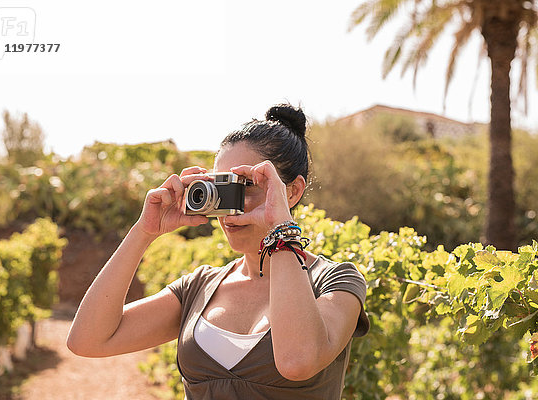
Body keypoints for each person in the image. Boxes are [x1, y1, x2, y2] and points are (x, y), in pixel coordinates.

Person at [67, 103, 370, 399]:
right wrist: (144, 231)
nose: (230, 206)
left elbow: (297, 361)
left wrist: (280, 229)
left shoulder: (336, 282)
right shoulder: (199, 287)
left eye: (247, 184)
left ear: (292, 191)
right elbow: (87, 341)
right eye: (221, 185)